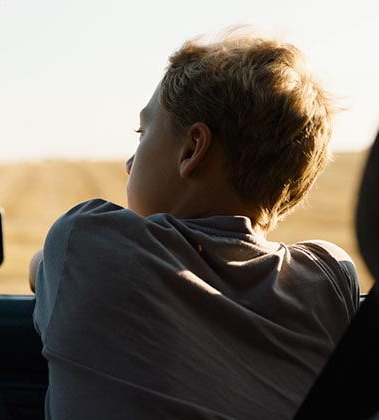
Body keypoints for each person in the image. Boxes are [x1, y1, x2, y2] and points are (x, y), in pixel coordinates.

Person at [31, 30, 359, 420]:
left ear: (191, 150)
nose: (129, 163)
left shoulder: (86, 244)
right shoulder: (329, 276)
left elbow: (41, 267)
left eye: (142, 133)